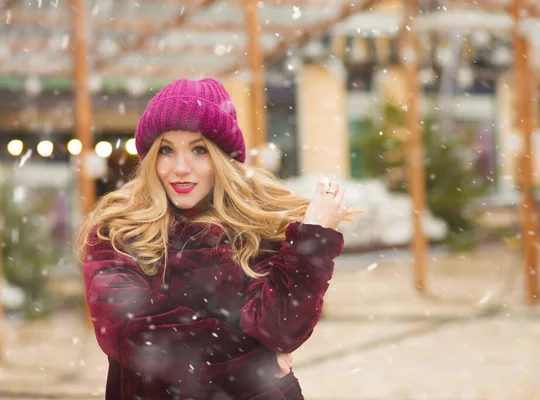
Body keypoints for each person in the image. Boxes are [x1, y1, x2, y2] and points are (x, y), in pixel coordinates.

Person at [78, 78, 355, 400]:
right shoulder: (119, 232)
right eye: (166, 150)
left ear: (222, 158)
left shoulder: (257, 231)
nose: (180, 168)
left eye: (199, 150)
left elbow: (279, 329)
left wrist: (313, 240)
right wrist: (254, 362)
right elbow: (131, 332)